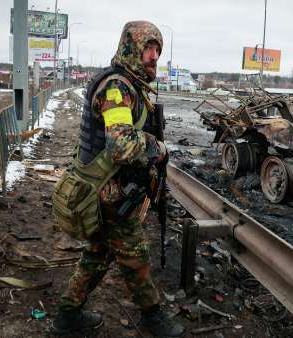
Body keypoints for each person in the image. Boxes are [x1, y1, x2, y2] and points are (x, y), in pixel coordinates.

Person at [50, 21, 185, 338]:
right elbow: (121, 144)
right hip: (106, 191)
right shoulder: (117, 88)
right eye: (148, 49)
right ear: (131, 49)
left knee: (98, 253)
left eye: (157, 50)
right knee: (134, 254)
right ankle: (153, 317)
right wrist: (159, 148)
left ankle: (67, 317)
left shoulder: (130, 84)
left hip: (108, 188)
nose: (154, 56)